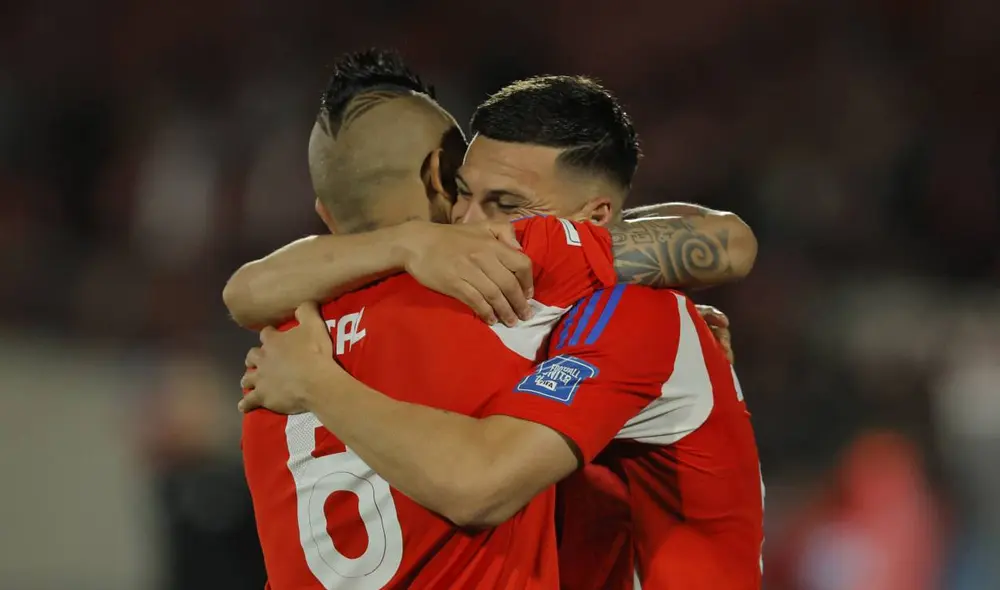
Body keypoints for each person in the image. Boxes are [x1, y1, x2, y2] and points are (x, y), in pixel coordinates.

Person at [239, 70, 763, 589]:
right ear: (441, 178)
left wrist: (318, 380)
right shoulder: (506, 277)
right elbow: (726, 242)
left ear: (325, 214)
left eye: (507, 206)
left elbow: (241, 291)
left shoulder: (284, 335)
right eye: (465, 193)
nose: (472, 225)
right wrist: (413, 244)